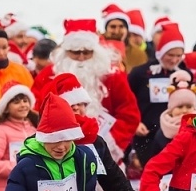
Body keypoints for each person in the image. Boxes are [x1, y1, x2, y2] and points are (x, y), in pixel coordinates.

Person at [35, 19, 140, 157]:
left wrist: (109, 142)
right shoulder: (49, 75)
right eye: (76, 52)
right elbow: (36, 111)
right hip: (57, 151)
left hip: (104, 153)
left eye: (87, 52)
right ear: (66, 52)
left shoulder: (112, 75)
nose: (81, 57)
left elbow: (129, 114)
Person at [128, 21, 187, 137]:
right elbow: (127, 102)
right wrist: (135, 123)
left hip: (175, 135)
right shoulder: (140, 73)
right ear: (161, 52)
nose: (174, 60)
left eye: (179, 56)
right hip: (145, 135)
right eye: (170, 55)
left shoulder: (185, 75)